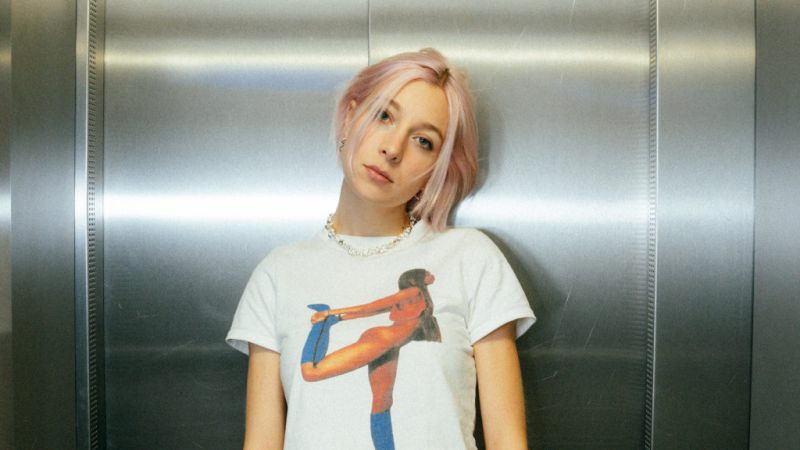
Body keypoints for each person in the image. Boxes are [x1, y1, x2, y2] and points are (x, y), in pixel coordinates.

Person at [226, 48, 535, 450]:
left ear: (437, 168)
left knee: (373, 399)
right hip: (380, 339)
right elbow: (261, 442)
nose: (393, 148)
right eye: (384, 116)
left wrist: (334, 317)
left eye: (423, 141)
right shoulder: (278, 273)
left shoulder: (471, 258)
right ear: (351, 116)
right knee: (364, 395)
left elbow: (508, 441)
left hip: (383, 340)